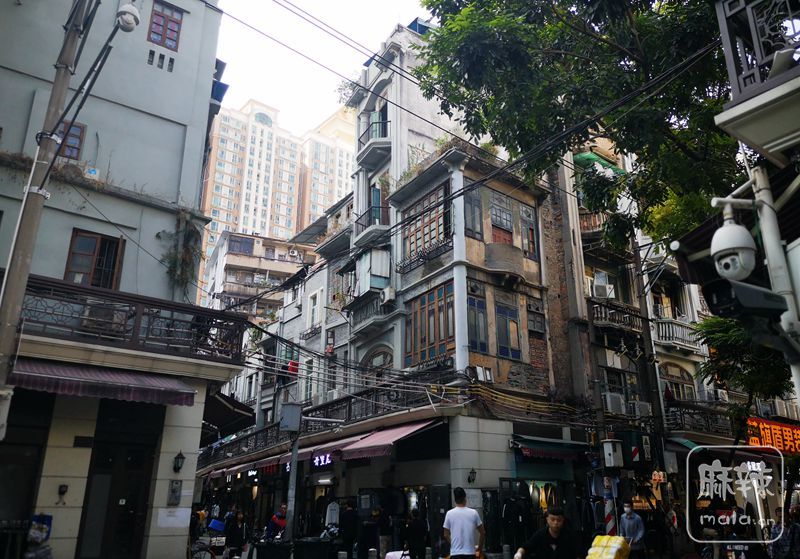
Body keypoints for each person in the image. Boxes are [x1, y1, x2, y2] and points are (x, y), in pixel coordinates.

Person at [513, 508, 580, 559]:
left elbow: (578, 554)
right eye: (552, 519)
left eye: (559, 520)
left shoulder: (570, 536)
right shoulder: (540, 535)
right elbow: (525, 548)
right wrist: (518, 554)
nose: (555, 523)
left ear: (563, 520)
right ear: (547, 519)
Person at [443, 487, 485, 559]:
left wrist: (453, 544)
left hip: (455, 554)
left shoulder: (449, 514)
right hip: (470, 553)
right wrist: (479, 548)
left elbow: (446, 534)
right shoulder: (473, 513)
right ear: (465, 498)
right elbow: (482, 532)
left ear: (455, 500)